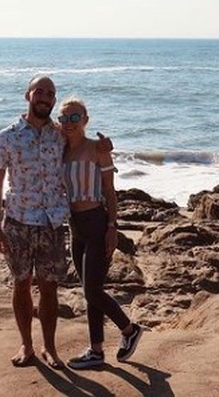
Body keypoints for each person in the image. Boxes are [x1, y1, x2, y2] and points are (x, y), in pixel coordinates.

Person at [0, 75, 70, 369]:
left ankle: (50, 348)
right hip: (18, 222)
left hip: (52, 223)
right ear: (28, 95)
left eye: (50, 94)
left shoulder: (61, 135)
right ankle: (27, 345)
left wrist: (103, 150)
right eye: (40, 91)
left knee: (49, 287)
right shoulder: (6, 137)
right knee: (21, 283)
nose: (45, 97)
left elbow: (86, 153)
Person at [57, 97, 143, 370]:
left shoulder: (98, 148)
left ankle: (129, 330)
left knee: (92, 290)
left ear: (85, 120)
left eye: (75, 117)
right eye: (64, 118)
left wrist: (112, 227)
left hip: (96, 221)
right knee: (89, 291)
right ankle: (96, 351)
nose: (69, 123)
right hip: (75, 225)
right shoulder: (60, 149)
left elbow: (109, 191)